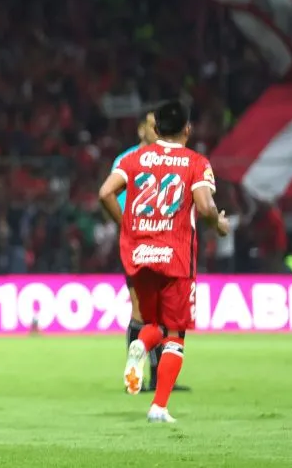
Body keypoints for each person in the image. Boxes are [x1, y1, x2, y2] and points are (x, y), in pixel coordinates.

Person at [99, 100, 229, 423]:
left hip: (140, 254)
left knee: (152, 323)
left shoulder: (132, 159)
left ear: (155, 128)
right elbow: (205, 206)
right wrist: (218, 224)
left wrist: (128, 228)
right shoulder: (195, 162)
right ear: (188, 129)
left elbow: (105, 193)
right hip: (176, 256)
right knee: (175, 335)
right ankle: (159, 407)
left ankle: (140, 347)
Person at [113, 110, 190, 393]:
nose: (156, 129)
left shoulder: (168, 159)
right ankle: (134, 378)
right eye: (151, 125)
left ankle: (159, 378)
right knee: (140, 311)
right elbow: (114, 198)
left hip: (167, 244)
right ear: (140, 130)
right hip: (138, 244)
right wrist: (130, 230)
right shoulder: (127, 160)